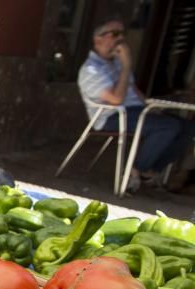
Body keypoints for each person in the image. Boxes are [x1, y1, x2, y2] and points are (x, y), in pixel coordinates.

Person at [78, 16, 195, 193]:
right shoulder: (91, 69)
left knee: (187, 128)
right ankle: (135, 170)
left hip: (136, 111)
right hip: (113, 115)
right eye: (115, 33)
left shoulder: (117, 62)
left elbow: (134, 91)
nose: (121, 38)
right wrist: (126, 66)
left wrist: (152, 104)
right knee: (167, 127)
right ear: (98, 38)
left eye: (123, 34)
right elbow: (116, 99)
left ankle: (149, 170)